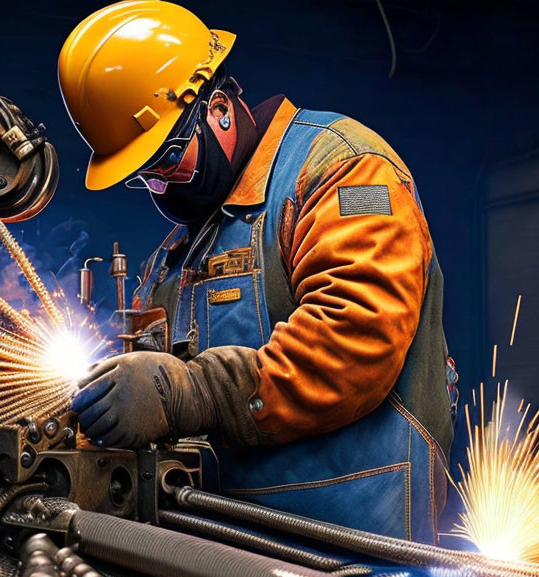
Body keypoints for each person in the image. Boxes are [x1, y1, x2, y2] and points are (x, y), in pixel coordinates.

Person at [59, 1, 457, 543]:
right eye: (145, 175)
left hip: (361, 560)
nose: (162, 186)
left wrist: (193, 393)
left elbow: (354, 340)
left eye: (168, 157)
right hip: (230, 559)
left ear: (217, 106)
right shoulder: (180, 253)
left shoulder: (338, 169)